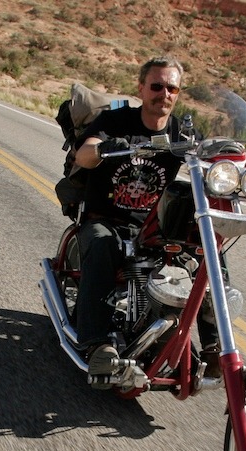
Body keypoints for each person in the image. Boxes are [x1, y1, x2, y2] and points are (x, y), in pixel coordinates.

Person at [72, 56, 218, 386]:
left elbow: (208, 156)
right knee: (102, 244)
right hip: (108, 217)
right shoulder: (117, 120)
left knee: (209, 249)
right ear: (141, 87)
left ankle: (214, 346)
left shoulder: (183, 131)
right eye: (156, 86)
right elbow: (84, 153)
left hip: (154, 224)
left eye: (172, 88)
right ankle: (98, 345)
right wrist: (105, 146)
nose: (163, 93)